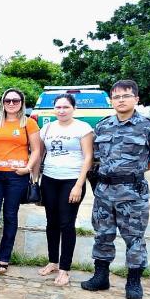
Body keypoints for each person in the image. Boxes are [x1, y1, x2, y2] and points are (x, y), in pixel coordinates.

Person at [81, 80, 150, 299]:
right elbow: (96, 157)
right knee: (102, 235)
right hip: (104, 191)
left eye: (126, 96)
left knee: (134, 238)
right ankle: (101, 276)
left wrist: (131, 172)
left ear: (136, 99)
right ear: (112, 100)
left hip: (133, 193)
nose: (121, 100)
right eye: (116, 97)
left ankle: (134, 281)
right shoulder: (103, 125)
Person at [0, 89, 42, 276]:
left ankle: (4, 258)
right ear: (3, 102)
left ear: (22, 102)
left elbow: (36, 150)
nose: (11, 103)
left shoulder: (29, 123)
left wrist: (28, 168)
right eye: (8, 100)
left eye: (16, 100)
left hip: (16, 175)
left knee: (10, 216)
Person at [36, 94, 93, 287]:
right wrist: (35, 179)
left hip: (71, 181)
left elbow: (88, 157)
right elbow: (40, 154)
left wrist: (79, 184)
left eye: (66, 107)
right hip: (50, 180)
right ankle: (53, 261)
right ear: (54, 109)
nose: (61, 110)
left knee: (66, 224)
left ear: (73, 108)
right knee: (51, 222)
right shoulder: (48, 128)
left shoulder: (83, 128)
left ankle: (65, 269)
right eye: (58, 107)